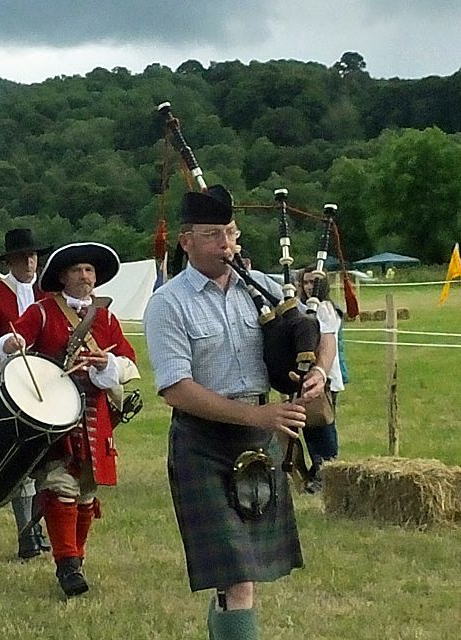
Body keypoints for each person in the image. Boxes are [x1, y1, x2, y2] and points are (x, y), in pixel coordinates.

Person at [144, 185, 324, 639]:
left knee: (240, 577)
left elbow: (313, 329)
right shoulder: (168, 303)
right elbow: (177, 390)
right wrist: (260, 418)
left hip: (258, 440)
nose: (226, 244)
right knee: (235, 575)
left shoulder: (261, 288)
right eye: (212, 235)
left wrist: (316, 369)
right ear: (186, 241)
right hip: (204, 442)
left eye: (230, 233)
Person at [0, 242, 139, 596]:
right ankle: (66, 564)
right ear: (62, 277)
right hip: (53, 417)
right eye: (77, 270)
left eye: (89, 270)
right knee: (59, 487)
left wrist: (110, 365)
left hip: (94, 416)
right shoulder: (42, 311)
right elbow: (11, 346)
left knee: (86, 494)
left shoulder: (105, 318)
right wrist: (10, 345)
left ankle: (77, 557)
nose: (85, 276)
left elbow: (129, 364)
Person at [0, 227, 51, 560]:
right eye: (23, 257)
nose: (30, 262)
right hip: (7, 383)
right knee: (18, 460)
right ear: (11, 261)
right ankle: (26, 535)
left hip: (47, 382)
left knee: (47, 461)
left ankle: (44, 529)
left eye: (33, 256)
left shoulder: (48, 292)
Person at [296, 269, 344, 494]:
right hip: (303, 376)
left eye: (313, 283)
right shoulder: (301, 307)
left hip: (323, 376)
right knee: (308, 425)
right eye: (305, 282)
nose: (308, 287)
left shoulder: (324, 309)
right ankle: (314, 470)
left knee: (321, 424)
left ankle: (326, 472)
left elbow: (326, 341)